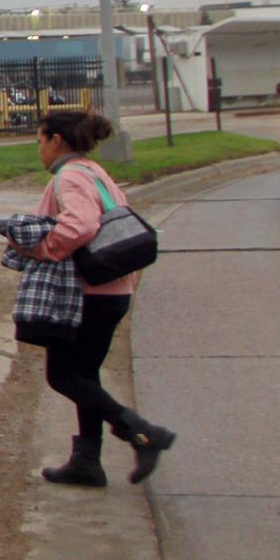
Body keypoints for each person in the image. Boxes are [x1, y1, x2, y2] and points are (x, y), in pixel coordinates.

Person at [18, 108, 176, 488]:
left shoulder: (69, 176)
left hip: (89, 293)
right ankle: (87, 461)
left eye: (40, 141)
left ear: (57, 141)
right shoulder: (94, 171)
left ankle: (140, 430)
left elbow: (82, 224)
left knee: (63, 374)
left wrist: (42, 248)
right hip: (114, 290)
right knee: (85, 374)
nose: (38, 150)